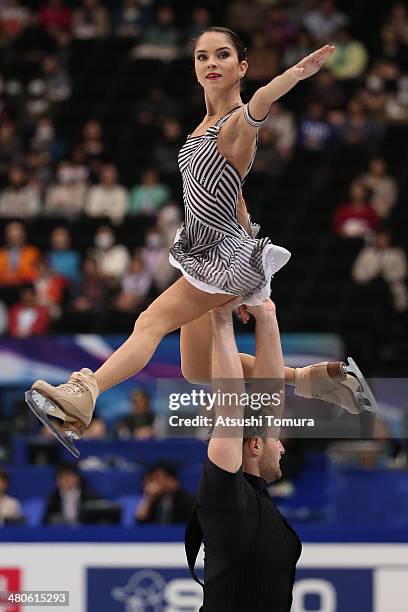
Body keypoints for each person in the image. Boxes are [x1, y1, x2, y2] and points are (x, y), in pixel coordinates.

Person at [29, 28, 368, 450]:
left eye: (222, 55)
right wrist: (251, 277)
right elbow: (238, 201)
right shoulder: (202, 126)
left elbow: (261, 102)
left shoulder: (235, 126)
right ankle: (314, 379)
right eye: (202, 56)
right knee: (195, 369)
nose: (211, 63)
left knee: (150, 323)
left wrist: (297, 73)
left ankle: (85, 393)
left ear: (241, 67)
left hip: (220, 257)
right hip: (209, 252)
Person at [185, 299, 301, 611]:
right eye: (275, 440)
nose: (282, 448)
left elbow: (270, 397)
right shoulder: (225, 495)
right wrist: (221, 315)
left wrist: (267, 314)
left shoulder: (255, 498)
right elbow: (231, 406)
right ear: (253, 446)